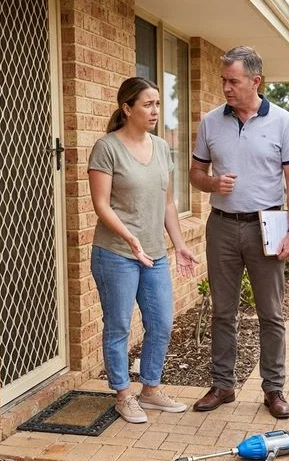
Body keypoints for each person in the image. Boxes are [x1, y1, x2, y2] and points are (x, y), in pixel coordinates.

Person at [189, 46, 289, 419]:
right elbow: (195, 175)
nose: (226, 87)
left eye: (233, 81)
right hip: (221, 225)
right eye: (223, 80)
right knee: (224, 311)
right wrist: (211, 184)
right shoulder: (210, 122)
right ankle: (223, 385)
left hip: (266, 225)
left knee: (271, 313)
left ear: (255, 81)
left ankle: (273, 389)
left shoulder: (282, 121)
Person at [88, 77, 198, 424]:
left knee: (161, 322)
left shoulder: (162, 147)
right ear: (127, 109)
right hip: (116, 253)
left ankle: (149, 389)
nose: (154, 110)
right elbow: (101, 205)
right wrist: (131, 238)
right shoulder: (107, 147)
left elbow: (167, 203)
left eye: (157, 104)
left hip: (154, 254)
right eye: (147, 104)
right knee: (119, 325)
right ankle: (123, 393)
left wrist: (179, 244)